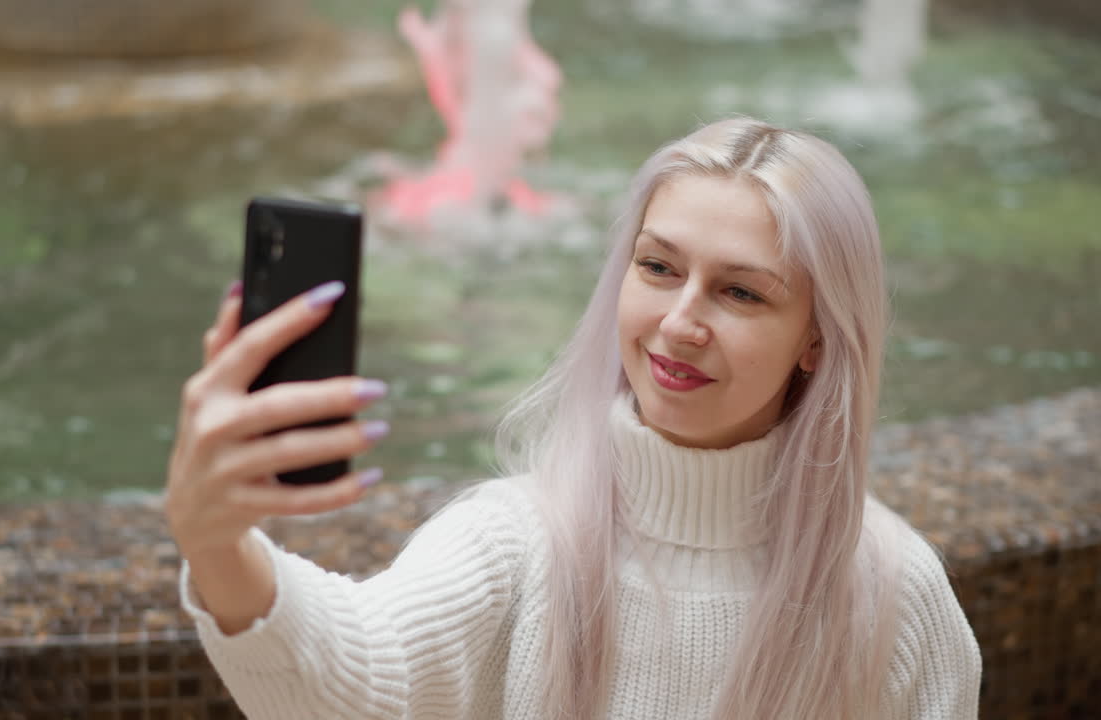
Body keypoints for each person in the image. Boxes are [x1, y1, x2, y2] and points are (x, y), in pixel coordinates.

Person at [166, 116, 982, 719]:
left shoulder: (895, 594)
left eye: (740, 291)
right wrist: (215, 542)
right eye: (658, 267)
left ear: (817, 338)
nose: (680, 321)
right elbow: (353, 674)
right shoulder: (513, 542)